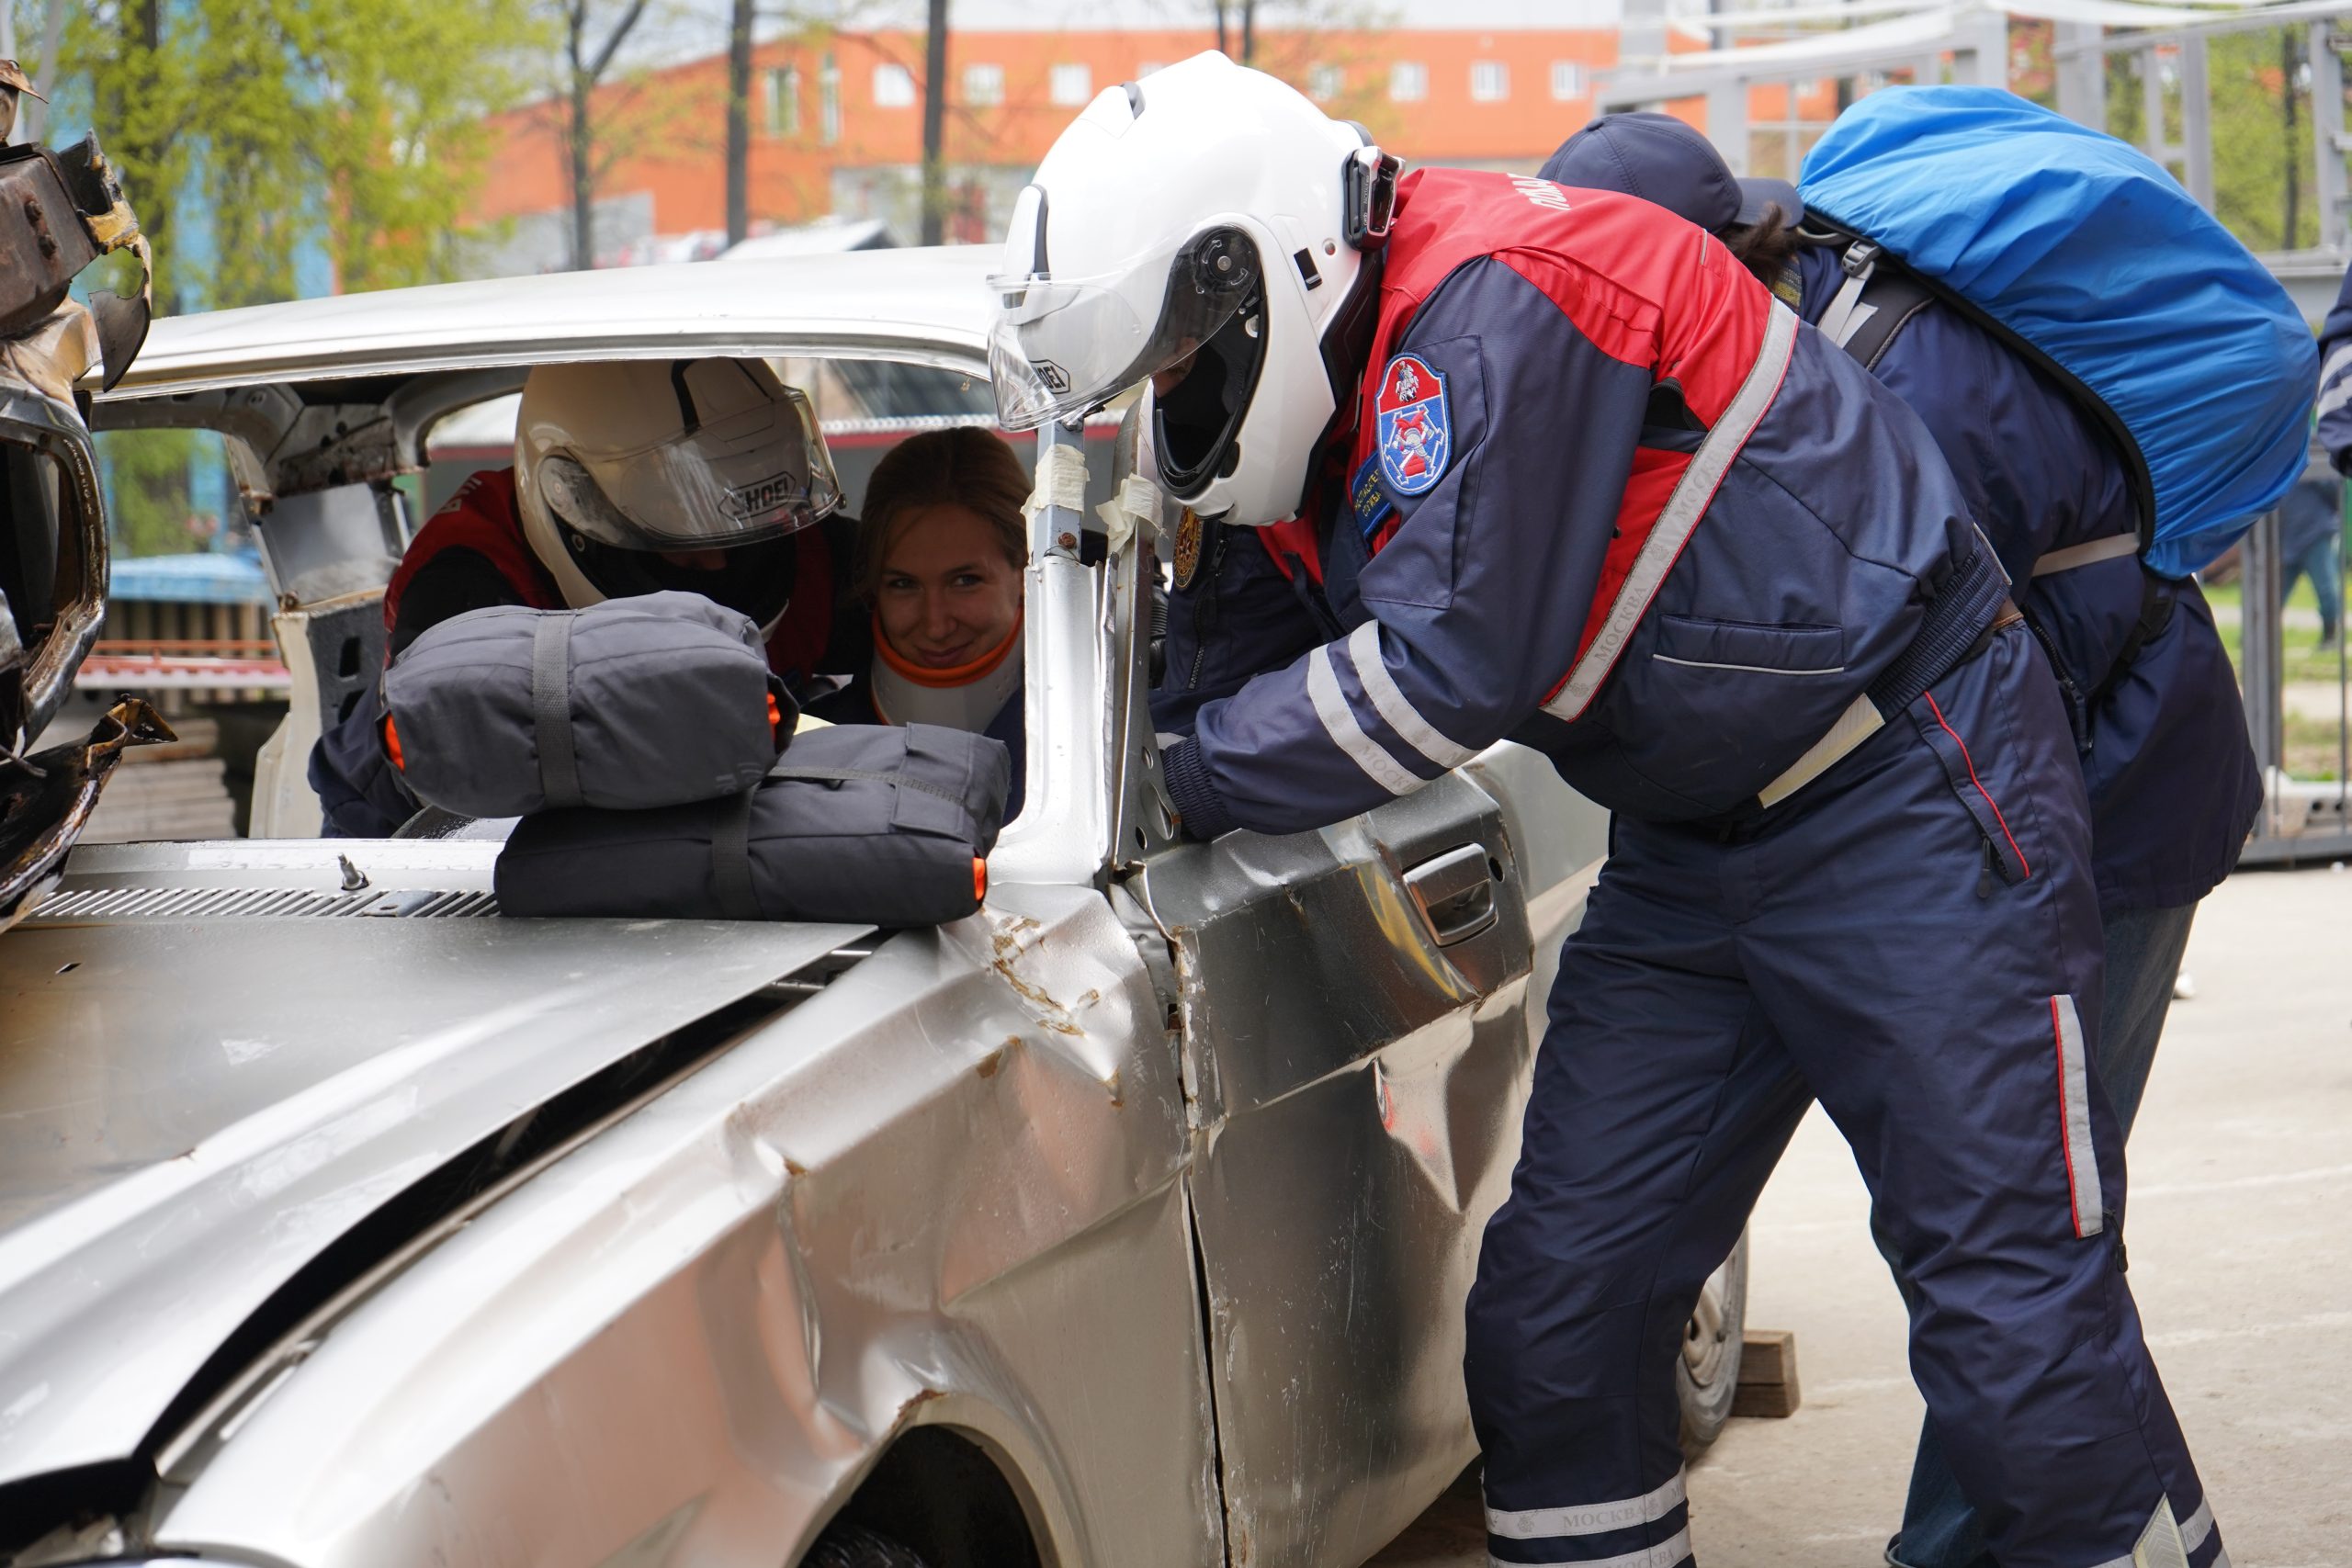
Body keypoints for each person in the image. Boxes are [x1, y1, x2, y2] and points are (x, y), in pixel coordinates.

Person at [994, 53, 2222, 1568]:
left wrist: (1166, 781)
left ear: (1265, 268)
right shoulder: (1335, 395)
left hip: (1910, 794)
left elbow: (1443, 676)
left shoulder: (1505, 298)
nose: (1176, 399)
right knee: (1560, 1320)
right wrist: (1009, 777)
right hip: (1693, 848)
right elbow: (1223, 669)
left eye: (1181, 361)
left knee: (2015, 1338)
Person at [1537, 110, 2253, 1568]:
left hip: (2102, 808)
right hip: (1936, 815)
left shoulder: (1893, 392)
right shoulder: (1733, 362)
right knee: (2020, 1259)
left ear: (1710, 267)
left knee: (2022, 1255)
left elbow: (1966, 680)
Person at [311, 356, 859, 836]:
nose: (719, 564)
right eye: (684, 540)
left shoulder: (799, 553)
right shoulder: (463, 597)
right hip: (408, 830)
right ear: (576, 508)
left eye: (737, 535)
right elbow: (480, 804)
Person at [807, 426, 1028, 810]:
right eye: (903, 584)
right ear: (873, 587)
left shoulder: (1097, 740)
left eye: (965, 581)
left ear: (1027, 571)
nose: (936, 625)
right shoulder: (806, 751)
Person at [2278, 467, 2343, 649]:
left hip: (2316, 534)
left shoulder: (2316, 458)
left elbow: (2336, 493)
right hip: (2289, 537)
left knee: (2326, 589)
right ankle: (2259, 640)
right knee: (2274, 592)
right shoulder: (2282, 456)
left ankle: (2330, 637)